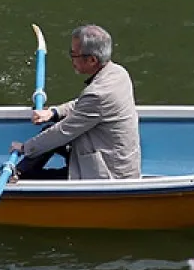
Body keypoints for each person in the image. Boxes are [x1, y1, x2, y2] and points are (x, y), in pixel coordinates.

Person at [11, 25, 141, 180]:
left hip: (108, 173)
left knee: (46, 152)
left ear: (92, 60)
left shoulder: (98, 94)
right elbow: (82, 104)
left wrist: (25, 148)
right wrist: (54, 112)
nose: (71, 60)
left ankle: (21, 176)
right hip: (114, 156)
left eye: (74, 55)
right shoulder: (119, 73)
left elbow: (63, 131)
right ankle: (20, 172)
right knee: (49, 129)